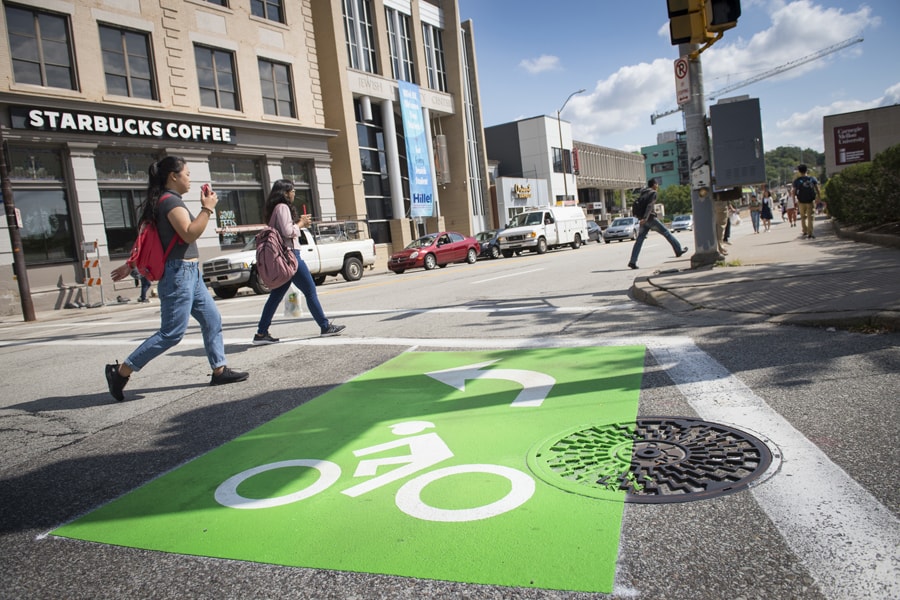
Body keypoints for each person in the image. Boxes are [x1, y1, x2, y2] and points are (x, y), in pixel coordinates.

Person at [105, 157, 248, 402]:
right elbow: (189, 232)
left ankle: (219, 370)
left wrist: (131, 264)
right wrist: (207, 208)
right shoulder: (170, 202)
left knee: (212, 318)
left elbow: (152, 240)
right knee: (171, 333)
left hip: (190, 273)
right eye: (187, 174)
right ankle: (120, 372)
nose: (189, 179)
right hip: (179, 274)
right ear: (173, 176)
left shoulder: (165, 201)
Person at [253, 179, 345, 344]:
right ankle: (325, 327)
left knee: (275, 296)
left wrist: (298, 223)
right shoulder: (282, 207)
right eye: (292, 191)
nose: (294, 193)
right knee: (310, 291)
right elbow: (288, 232)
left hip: (286, 256)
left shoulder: (275, 209)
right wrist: (301, 224)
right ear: (285, 193)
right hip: (291, 256)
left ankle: (261, 333)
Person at [628, 179, 688, 269]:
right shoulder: (653, 193)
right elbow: (650, 205)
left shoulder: (643, 193)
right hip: (650, 219)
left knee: (639, 240)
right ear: (654, 185)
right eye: (657, 184)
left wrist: (642, 218)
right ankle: (678, 250)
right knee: (666, 233)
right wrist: (646, 218)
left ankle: (632, 261)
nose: (658, 186)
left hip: (643, 220)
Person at [793, 164, 821, 239]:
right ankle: (810, 232)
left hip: (801, 201)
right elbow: (817, 189)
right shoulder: (812, 179)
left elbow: (794, 191)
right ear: (807, 170)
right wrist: (819, 197)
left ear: (799, 171)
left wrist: (794, 201)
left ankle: (804, 230)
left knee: (803, 216)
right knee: (810, 216)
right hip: (810, 200)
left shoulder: (797, 181)